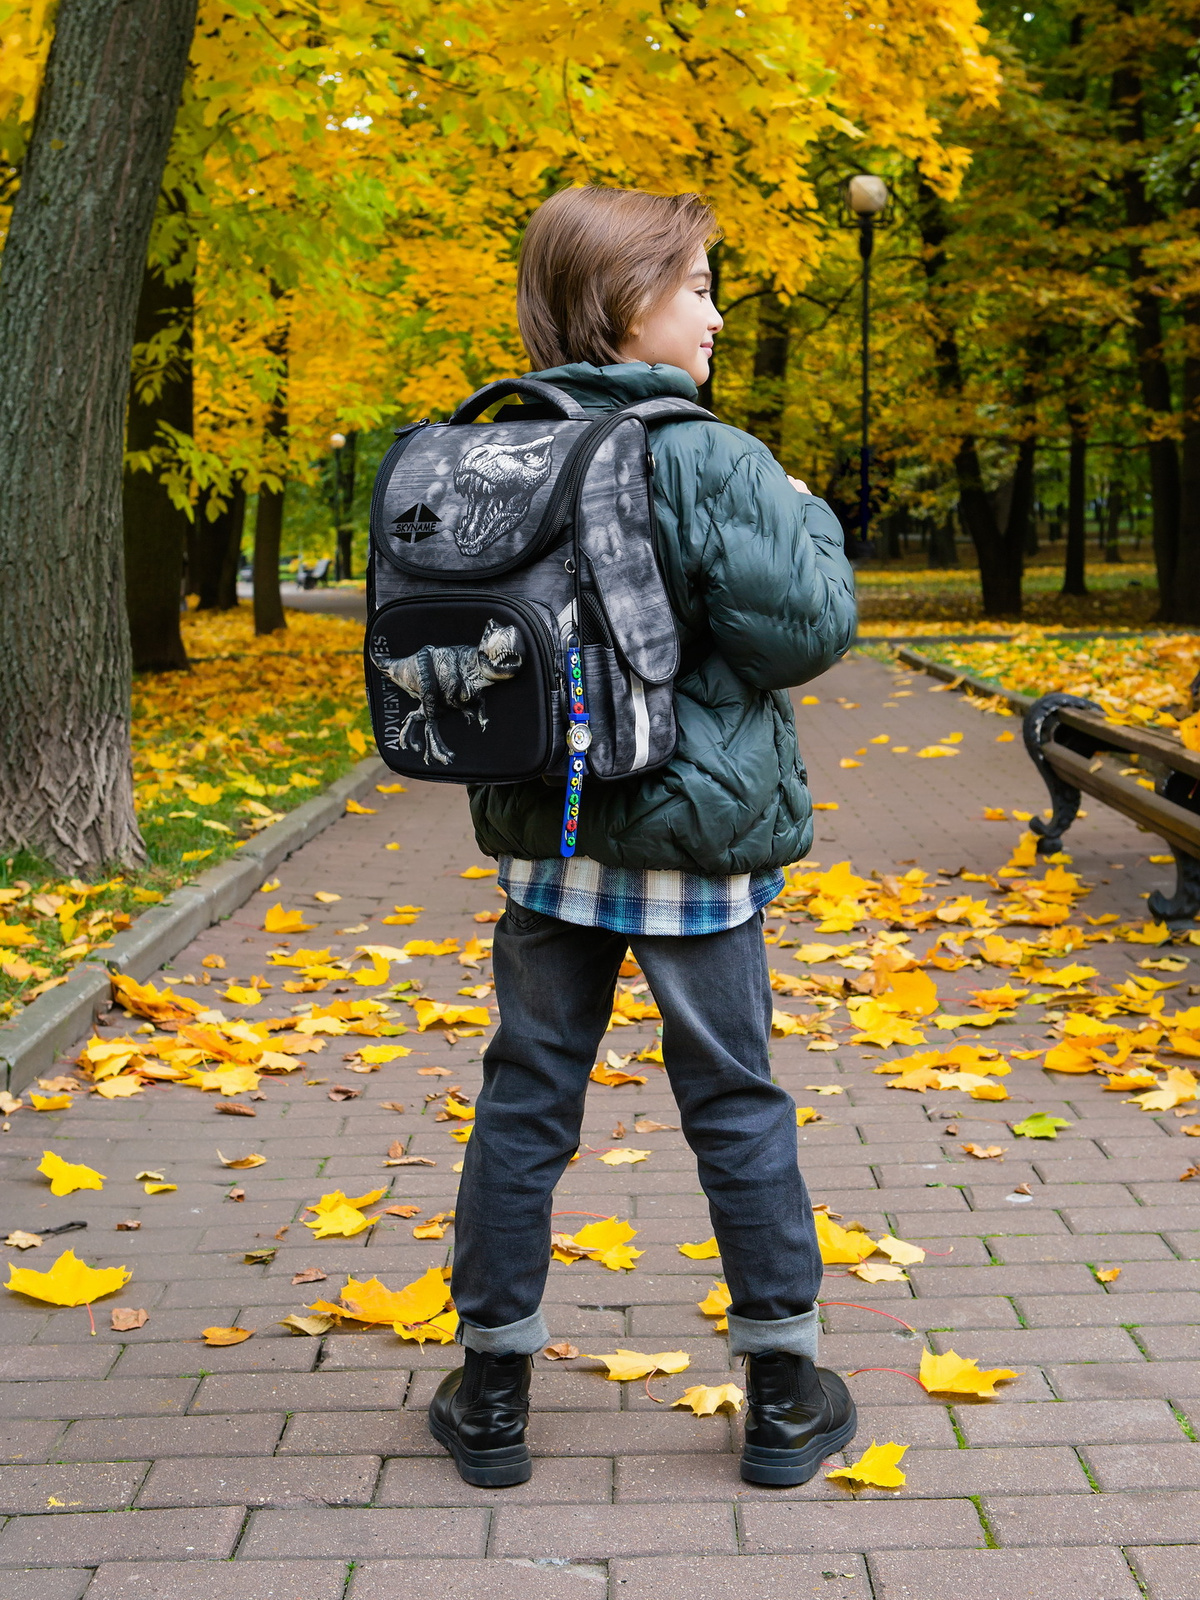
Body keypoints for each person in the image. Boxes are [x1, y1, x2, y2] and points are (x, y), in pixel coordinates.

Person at [428, 185, 858, 1490]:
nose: (717, 313)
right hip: (695, 844)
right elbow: (806, 632)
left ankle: (492, 1388)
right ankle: (784, 1390)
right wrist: (801, 511)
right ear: (628, 308)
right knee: (734, 1099)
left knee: (524, 1098)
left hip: (546, 841)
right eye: (698, 288)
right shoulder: (710, 457)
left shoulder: (492, 445)